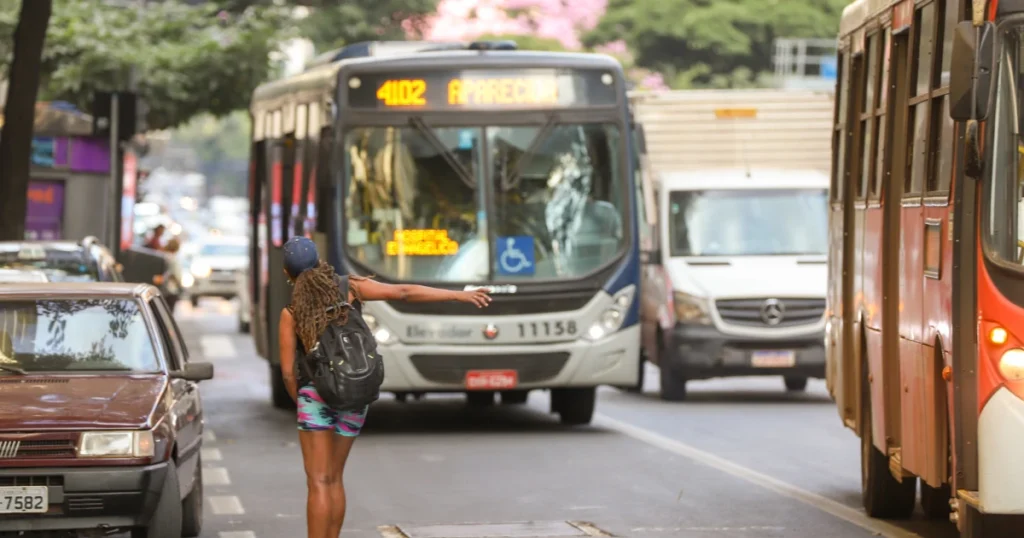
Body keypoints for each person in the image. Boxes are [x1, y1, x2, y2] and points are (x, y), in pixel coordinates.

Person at [277, 236, 490, 538]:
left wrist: (300, 401)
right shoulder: (349, 287)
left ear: (288, 273)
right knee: (335, 478)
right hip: (355, 392)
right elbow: (402, 292)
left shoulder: (291, 312)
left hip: (316, 396)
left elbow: (288, 374)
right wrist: (458, 296)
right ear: (319, 262)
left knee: (318, 480)